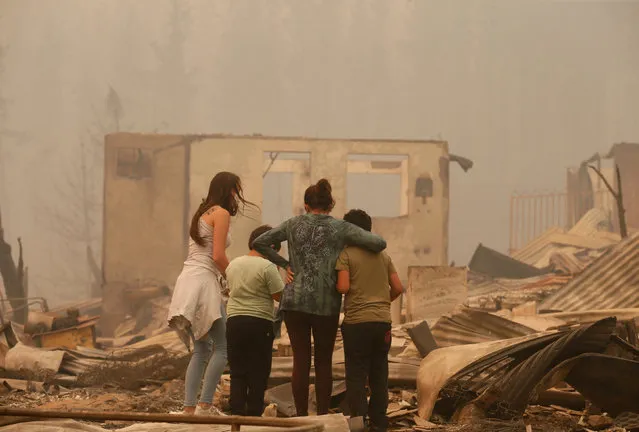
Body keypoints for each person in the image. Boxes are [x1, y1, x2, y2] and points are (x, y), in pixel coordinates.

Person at [252, 179, 387, 417]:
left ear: (306, 205)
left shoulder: (293, 224)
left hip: (295, 300)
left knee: (301, 359)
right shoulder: (340, 227)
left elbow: (259, 242)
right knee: (323, 361)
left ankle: (302, 416)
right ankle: (323, 415)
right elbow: (379, 243)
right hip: (326, 303)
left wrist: (285, 264)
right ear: (330, 204)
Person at [167, 172, 254, 416]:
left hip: (188, 280)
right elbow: (217, 256)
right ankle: (205, 405)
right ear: (229, 190)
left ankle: (189, 408)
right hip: (204, 282)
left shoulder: (202, 213)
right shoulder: (221, 213)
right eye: (236, 189)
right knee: (223, 347)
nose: (238, 195)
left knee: (202, 349)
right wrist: (235, 276)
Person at [335, 209, 403, 432]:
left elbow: (344, 287)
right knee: (379, 374)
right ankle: (380, 423)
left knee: (355, 374)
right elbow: (398, 288)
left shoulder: (346, 255)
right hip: (382, 321)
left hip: (356, 323)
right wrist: (383, 302)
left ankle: (358, 423)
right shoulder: (384, 256)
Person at [225, 225, 285, 416]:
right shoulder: (267, 266)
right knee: (258, 371)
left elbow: (229, 289)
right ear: (271, 247)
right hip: (260, 322)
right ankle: (253, 416)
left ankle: (236, 415)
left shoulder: (233, 264)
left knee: (238, 371)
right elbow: (279, 296)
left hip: (234, 321)